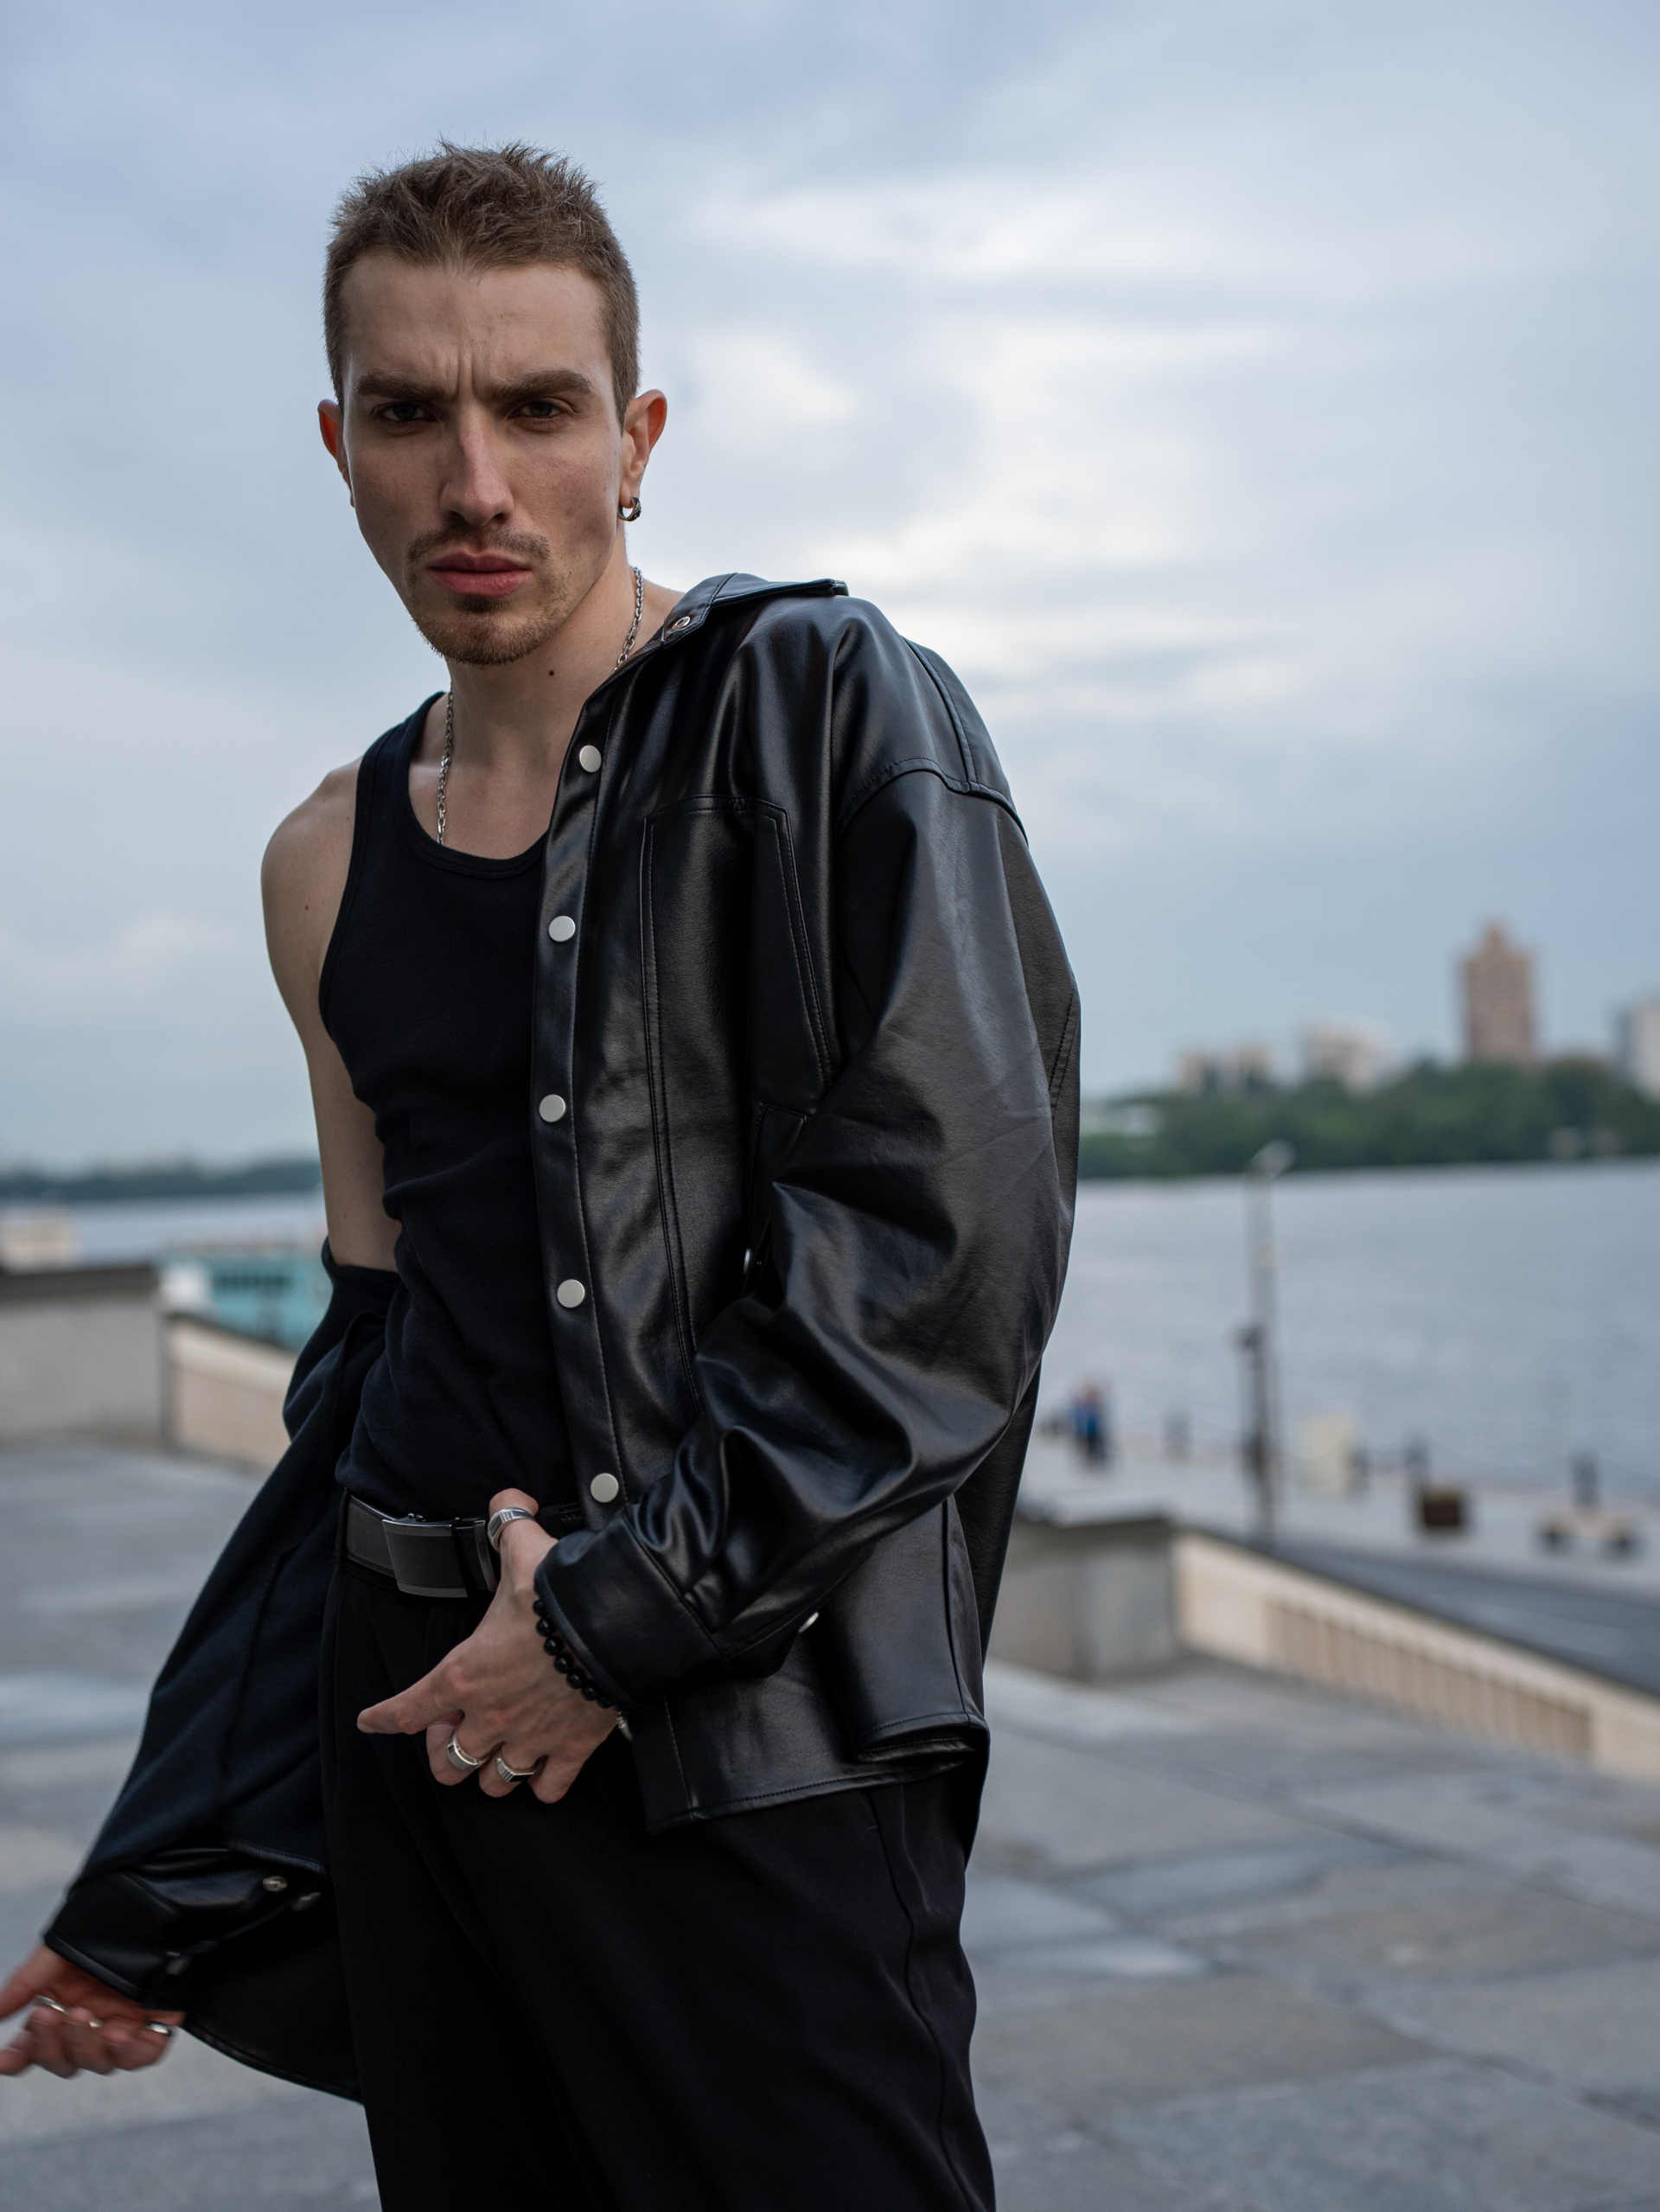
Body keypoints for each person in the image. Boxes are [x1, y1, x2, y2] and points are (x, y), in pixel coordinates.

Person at [0, 144, 1078, 2210]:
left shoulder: (822, 708)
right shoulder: (320, 856)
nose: (474, 480)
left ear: (638, 437)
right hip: (417, 1732)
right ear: (340, 447)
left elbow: (950, 1247)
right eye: (411, 412)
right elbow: (367, 1361)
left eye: (538, 406)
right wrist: (166, 1867)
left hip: (740, 1735)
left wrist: (608, 1624)